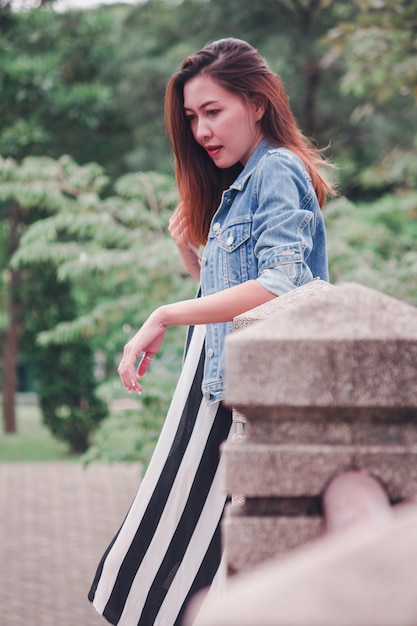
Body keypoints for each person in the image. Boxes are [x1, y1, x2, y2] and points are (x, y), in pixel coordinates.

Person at [88, 37, 335, 626]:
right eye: (193, 117)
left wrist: (163, 315)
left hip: (239, 394)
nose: (201, 130)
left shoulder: (275, 170)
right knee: (182, 549)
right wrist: (189, 252)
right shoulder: (245, 178)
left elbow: (282, 286)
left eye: (213, 111)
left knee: (177, 550)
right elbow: (225, 295)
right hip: (213, 384)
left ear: (255, 103)